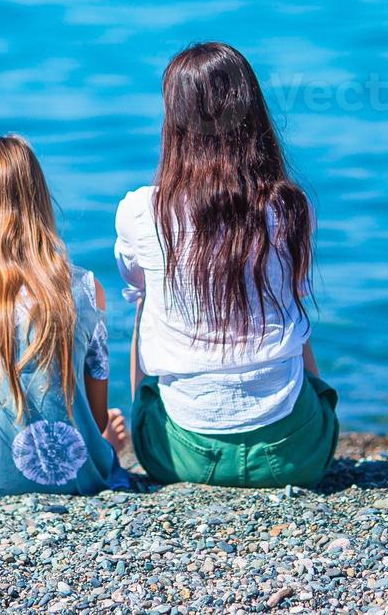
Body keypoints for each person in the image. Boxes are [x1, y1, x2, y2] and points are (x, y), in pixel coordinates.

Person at [116, 42, 338, 488]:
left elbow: (138, 294)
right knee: (287, 299)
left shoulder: (143, 211)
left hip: (183, 456)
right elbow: (295, 306)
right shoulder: (290, 206)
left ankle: (151, 415)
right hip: (297, 453)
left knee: (145, 298)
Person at [0, 135, 129, 496]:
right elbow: (96, 411)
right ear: (37, 200)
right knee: (112, 428)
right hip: (75, 477)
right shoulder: (84, 290)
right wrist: (106, 439)